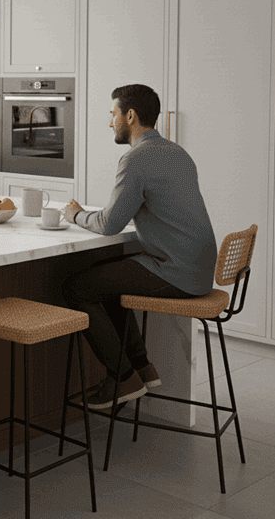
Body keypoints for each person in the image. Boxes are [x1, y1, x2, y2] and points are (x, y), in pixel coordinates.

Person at [62, 84, 217, 409]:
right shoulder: (177, 152)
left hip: (177, 273)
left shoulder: (136, 158)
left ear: (129, 115)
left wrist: (74, 214)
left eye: (112, 114)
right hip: (200, 270)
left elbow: (108, 225)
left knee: (78, 288)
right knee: (108, 280)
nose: (110, 122)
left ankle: (123, 377)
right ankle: (142, 367)